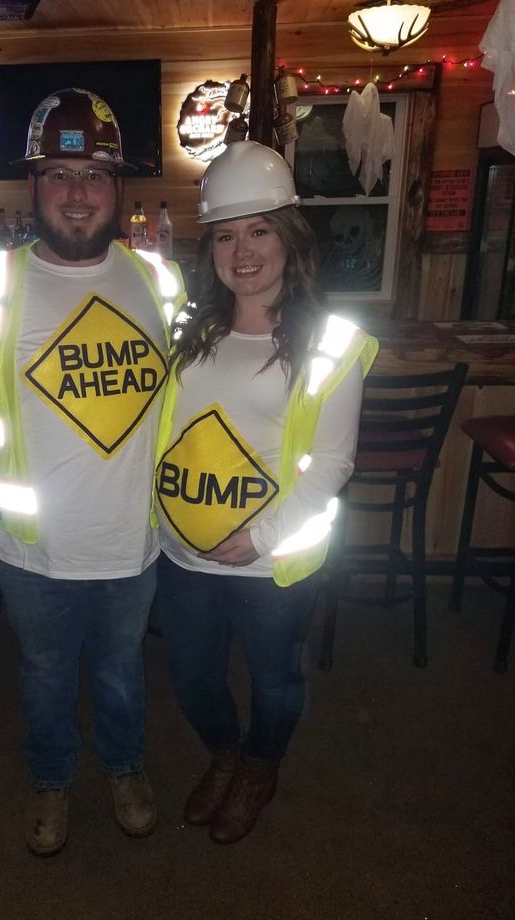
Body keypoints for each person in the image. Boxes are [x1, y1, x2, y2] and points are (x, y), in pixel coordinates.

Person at [0, 88, 185, 857]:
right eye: (61, 174)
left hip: (133, 538)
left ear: (118, 188)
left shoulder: (161, 284)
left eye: (95, 175)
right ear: (33, 186)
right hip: (30, 547)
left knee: (122, 672)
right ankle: (51, 777)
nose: (78, 193)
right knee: (43, 672)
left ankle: (125, 769)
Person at [154, 140, 378, 844]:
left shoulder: (328, 342)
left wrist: (258, 536)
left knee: (276, 682)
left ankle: (259, 764)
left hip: (269, 563)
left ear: (289, 238)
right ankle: (225, 753)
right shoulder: (188, 328)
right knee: (192, 681)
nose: (242, 251)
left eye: (259, 231)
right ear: (211, 246)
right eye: (226, 234)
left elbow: (332, 464)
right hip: (181, 556)